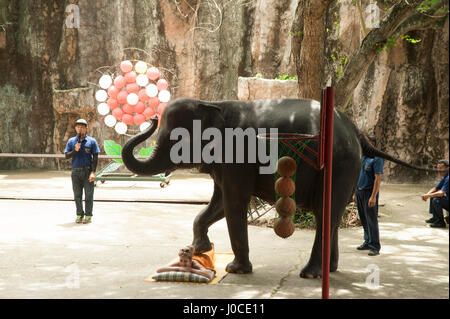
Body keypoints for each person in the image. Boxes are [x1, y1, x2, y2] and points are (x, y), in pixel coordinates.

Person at [64, 119, 100, 224]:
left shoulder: (92, 141)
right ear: (75, 128)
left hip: (87, 171)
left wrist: (93, 172)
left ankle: (88, 215)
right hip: (75, 172)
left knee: (89, 194)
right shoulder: (71, 141)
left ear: (86, 128)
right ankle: (79, 214)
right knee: (77, 195)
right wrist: (75, 150)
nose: (80, 128)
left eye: (82, 127)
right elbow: (66, 156)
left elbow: (95, 157)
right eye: (78, 126)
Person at [354, 134, 384, 256]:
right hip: (359, 192)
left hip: (369, 192)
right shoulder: (363, 157)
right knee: (364, 218)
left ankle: (375, 246)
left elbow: (378, 179)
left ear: (371, 144)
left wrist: (373, 197)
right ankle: (367, 241)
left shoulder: (377, 158)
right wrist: (354, 193)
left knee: (371, 220)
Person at [421, 160, 449, 228]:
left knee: (436, 199)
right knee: (433, 195)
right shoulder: (445, 177)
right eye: (438, 169)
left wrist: (427, 196)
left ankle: (440, 222)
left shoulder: (448, 178)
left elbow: (441, 193)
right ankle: (435, 218)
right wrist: (427, 194)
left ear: (448, 168)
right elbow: (435, 188)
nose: (439, 171)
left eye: (441, 168)